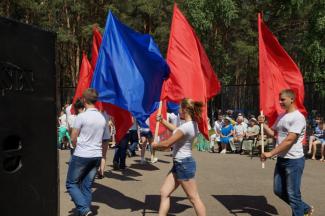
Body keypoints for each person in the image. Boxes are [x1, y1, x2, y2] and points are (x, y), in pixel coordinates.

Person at [259, 89, 313, 216]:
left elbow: (289, 140)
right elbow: (273, 134)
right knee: (278, 190)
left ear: (292, 99)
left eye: (283, 99)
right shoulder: (282, 116)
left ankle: (301, 211)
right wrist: (262, 124)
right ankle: (305, 208)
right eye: (280, 99)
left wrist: (270, 153)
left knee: (293, 195)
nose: (280, 101)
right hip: (282, 159)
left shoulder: (298, 117)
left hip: (294, 161)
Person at [152, 98, 206, 216]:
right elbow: (177, 130)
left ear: (185, 110)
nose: (178, 110)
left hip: (184, 164)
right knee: (164, 192)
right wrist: (162, 121)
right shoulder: (192, 124)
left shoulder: (186, 127)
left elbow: (167, 144)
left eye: (180, 108)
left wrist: (155, 146)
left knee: (194, 198)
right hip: (180, 164)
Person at [66, 88, 110, 216]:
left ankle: (84, 210)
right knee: (86, 186)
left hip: (82, 154)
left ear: (84, 100)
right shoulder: (102, 118)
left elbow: (73, 136)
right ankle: (85, 212)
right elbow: (103, 138)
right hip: (96, 155)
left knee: (71, 184)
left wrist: (75, 144)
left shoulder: (82, 116)